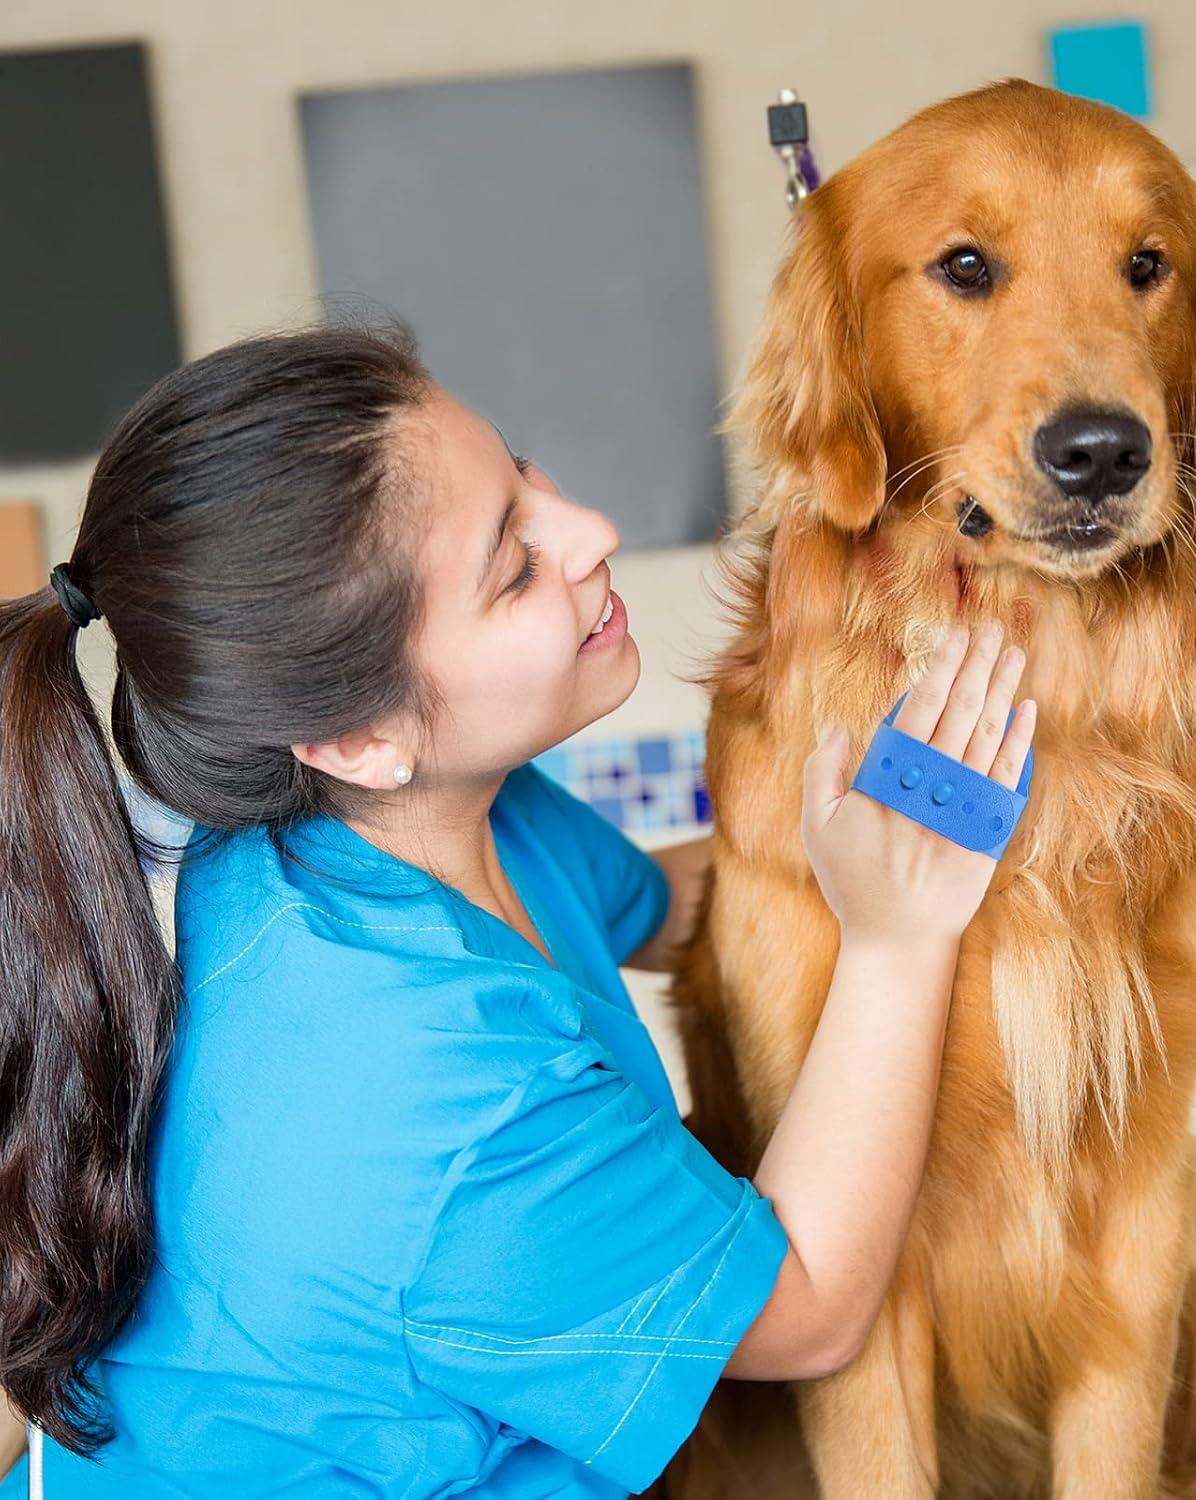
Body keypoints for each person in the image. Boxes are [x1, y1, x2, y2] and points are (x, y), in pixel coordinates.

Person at [0, 320, 1036, 1497]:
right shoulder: (443, 1104)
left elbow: (671, 903)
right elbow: (806, 1308)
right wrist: (899, 943)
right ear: (360, 735)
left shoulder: (420, 824)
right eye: (513, 565)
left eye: (524, 471)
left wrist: (844, 804)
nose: (589, 532)